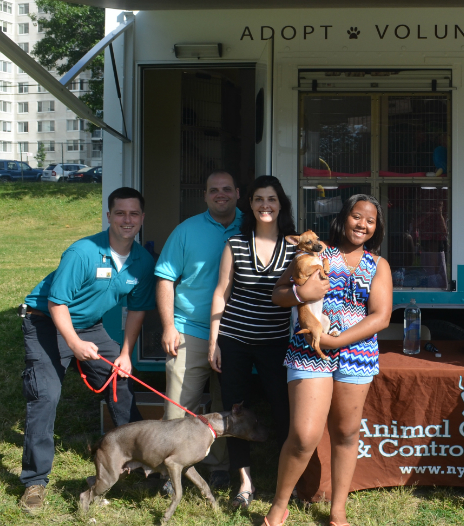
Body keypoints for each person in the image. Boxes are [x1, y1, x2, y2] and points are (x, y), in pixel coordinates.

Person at [18, 187, 155, 513]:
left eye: (133, 214)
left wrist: (124, 353)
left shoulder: (142, 261)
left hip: (89, 326)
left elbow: (137, 309)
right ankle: (34, 482)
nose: (127, 220)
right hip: (45, 323)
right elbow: (57, 302)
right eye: (120, 213)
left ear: (142, 218)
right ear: (108, 216)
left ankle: (138, 460)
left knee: (119, 379)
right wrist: (75, 344)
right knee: (46, 394)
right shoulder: (82, 252)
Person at [265, 194, 393, 526]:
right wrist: (298, 294)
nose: (362, 224)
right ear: (343, 218)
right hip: (309, 351)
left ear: (376, 228)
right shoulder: (316, 253)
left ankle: (338, 512)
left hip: (357, 353)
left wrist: (336, 340)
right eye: (356, 216)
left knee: (347, 433)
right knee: (305, 435)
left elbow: (380, 317)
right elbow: (278, 294)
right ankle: (279, 507)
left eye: (370, 220)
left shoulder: (378, 265)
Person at [208, 175, 297, 509]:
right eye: (259, 199)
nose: (265, 205)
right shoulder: (235, 244)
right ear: (251, 204)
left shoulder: (293, 246)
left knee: (283, 409)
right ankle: (245, 483)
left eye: (271, 199)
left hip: (276, 342)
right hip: (234, 340)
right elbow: (222, 292)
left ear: (281, 204)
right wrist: (213, 341)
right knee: (235, 413)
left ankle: (289, 481)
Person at [154, 170, 242, 489]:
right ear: (205, 196)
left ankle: (219, 466)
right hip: (189, 329)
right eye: (214, 190)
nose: (221, 194)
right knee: (179, 405)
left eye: (227, 189)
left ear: (237, 193)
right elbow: (165, 278)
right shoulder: (186, 231)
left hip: (234, 333)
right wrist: (168, 327)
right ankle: (170, 470)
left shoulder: (250, 227)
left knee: (223, 406)